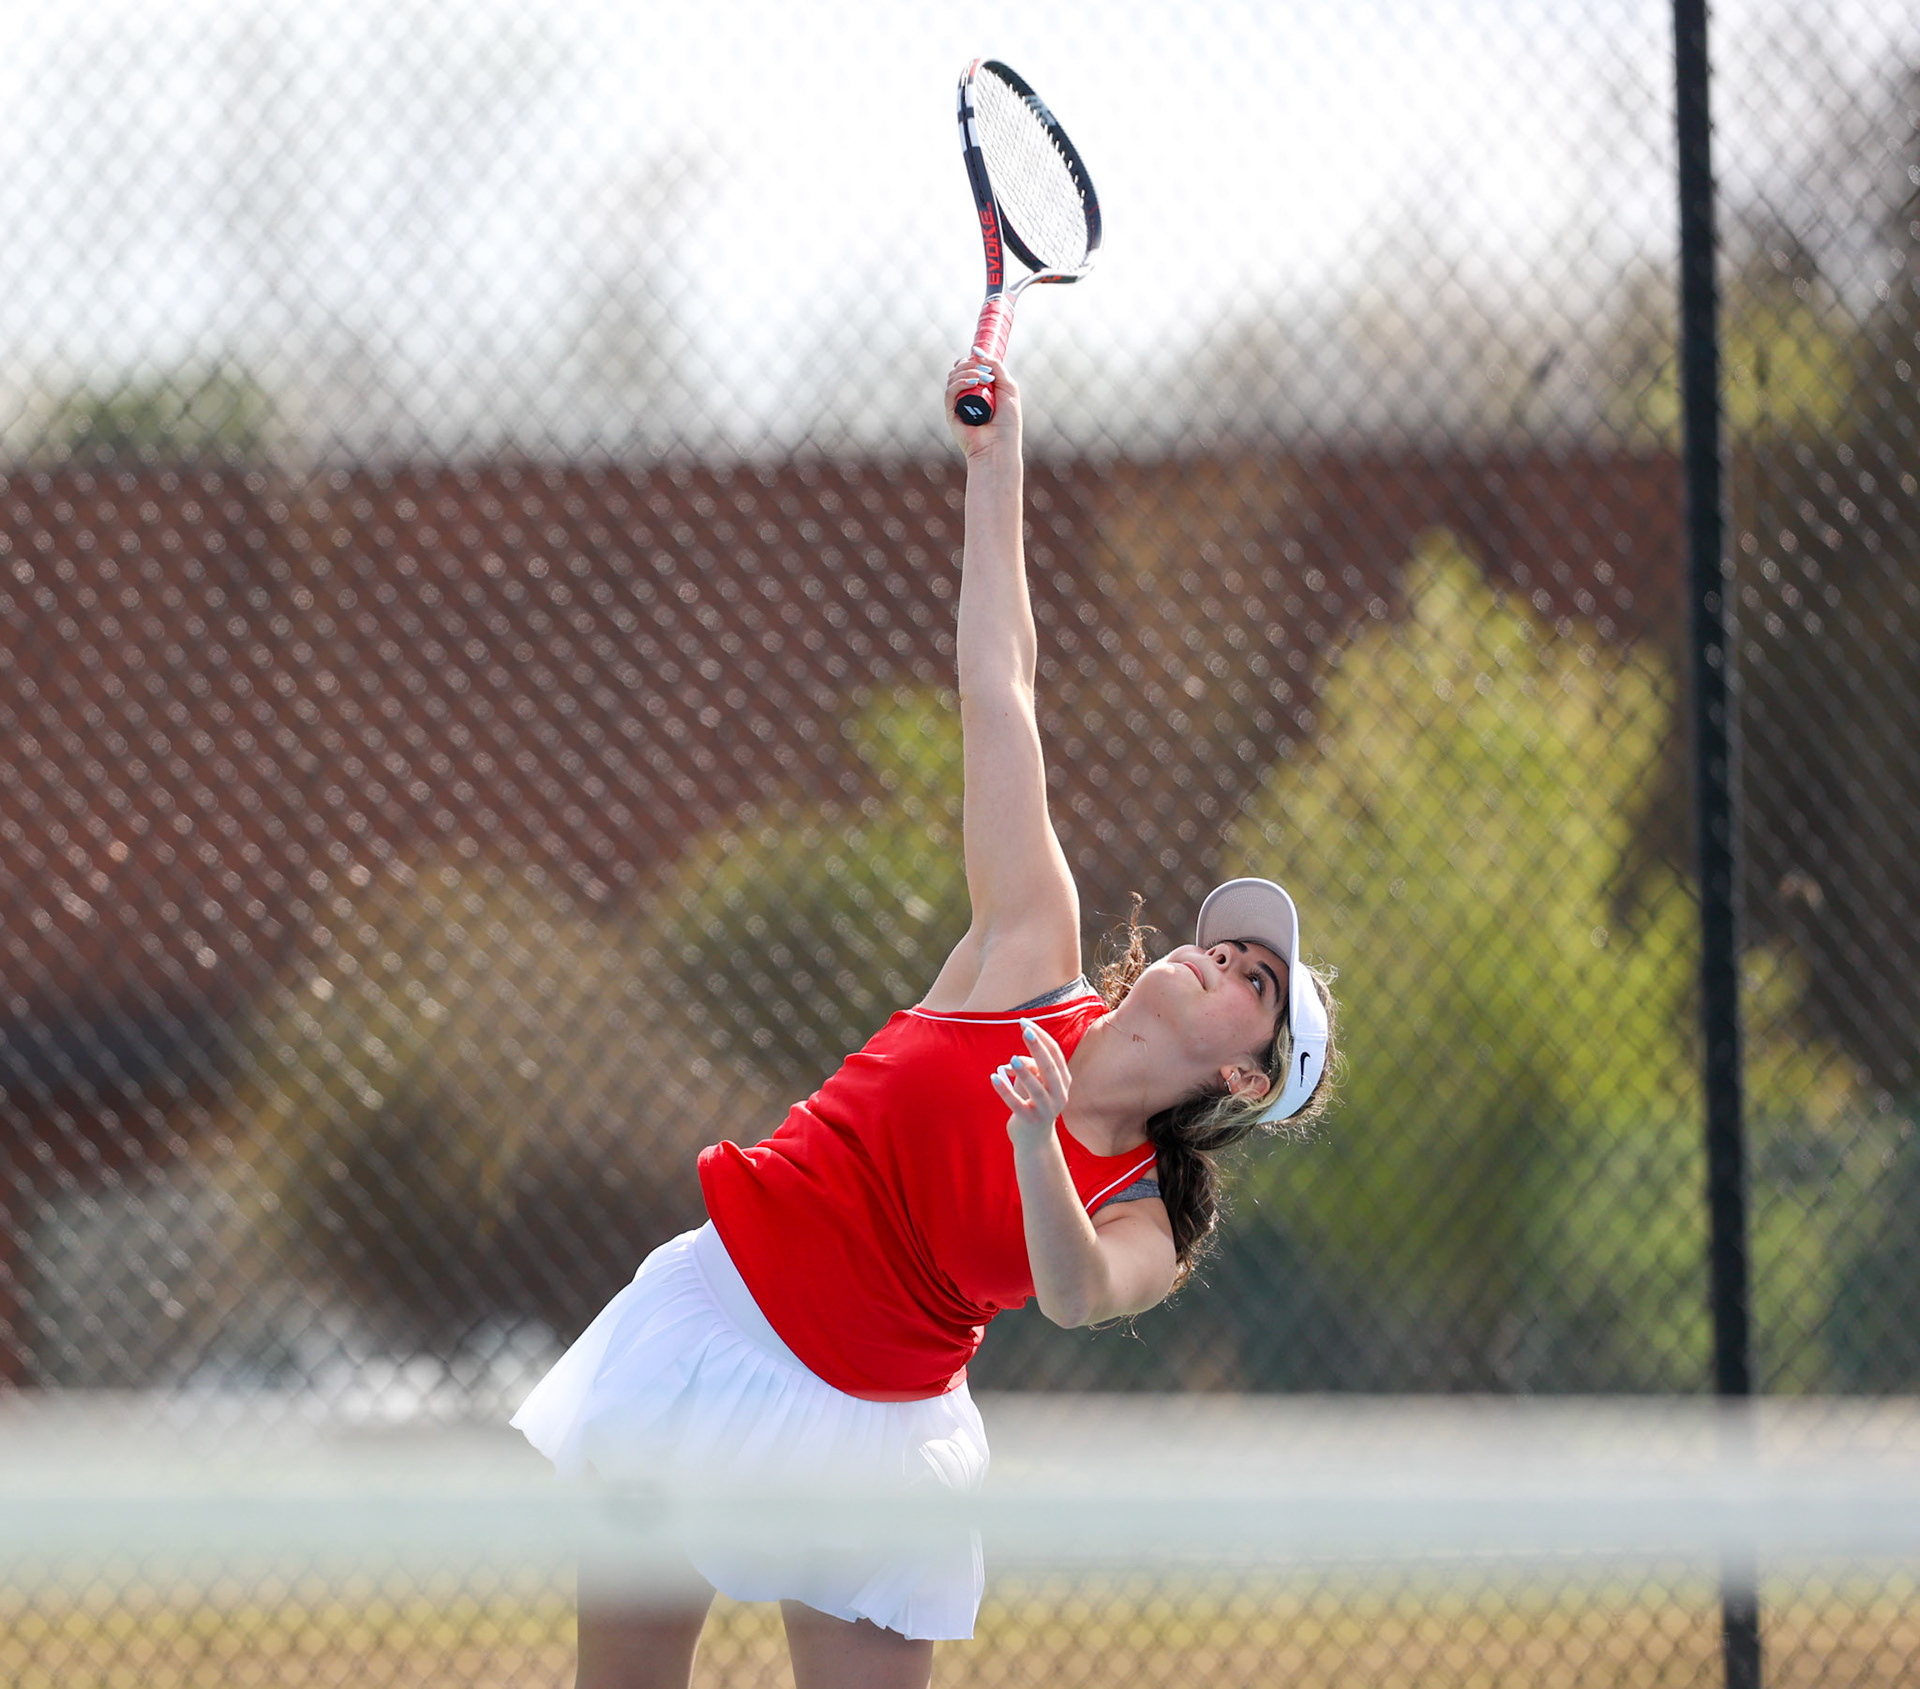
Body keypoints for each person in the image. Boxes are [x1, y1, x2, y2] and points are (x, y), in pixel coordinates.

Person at [510, 352, 1339, 1689]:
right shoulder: (1028, 945)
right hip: (720, 1320)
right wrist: (998, 466)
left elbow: (1075, 1297)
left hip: (876, 1428)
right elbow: (1000, 687)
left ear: (1245, 1071)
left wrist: (1032, 1144)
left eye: (1258, 979)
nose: (1227, 954)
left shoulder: (1151, 1211)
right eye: (1234, 940)